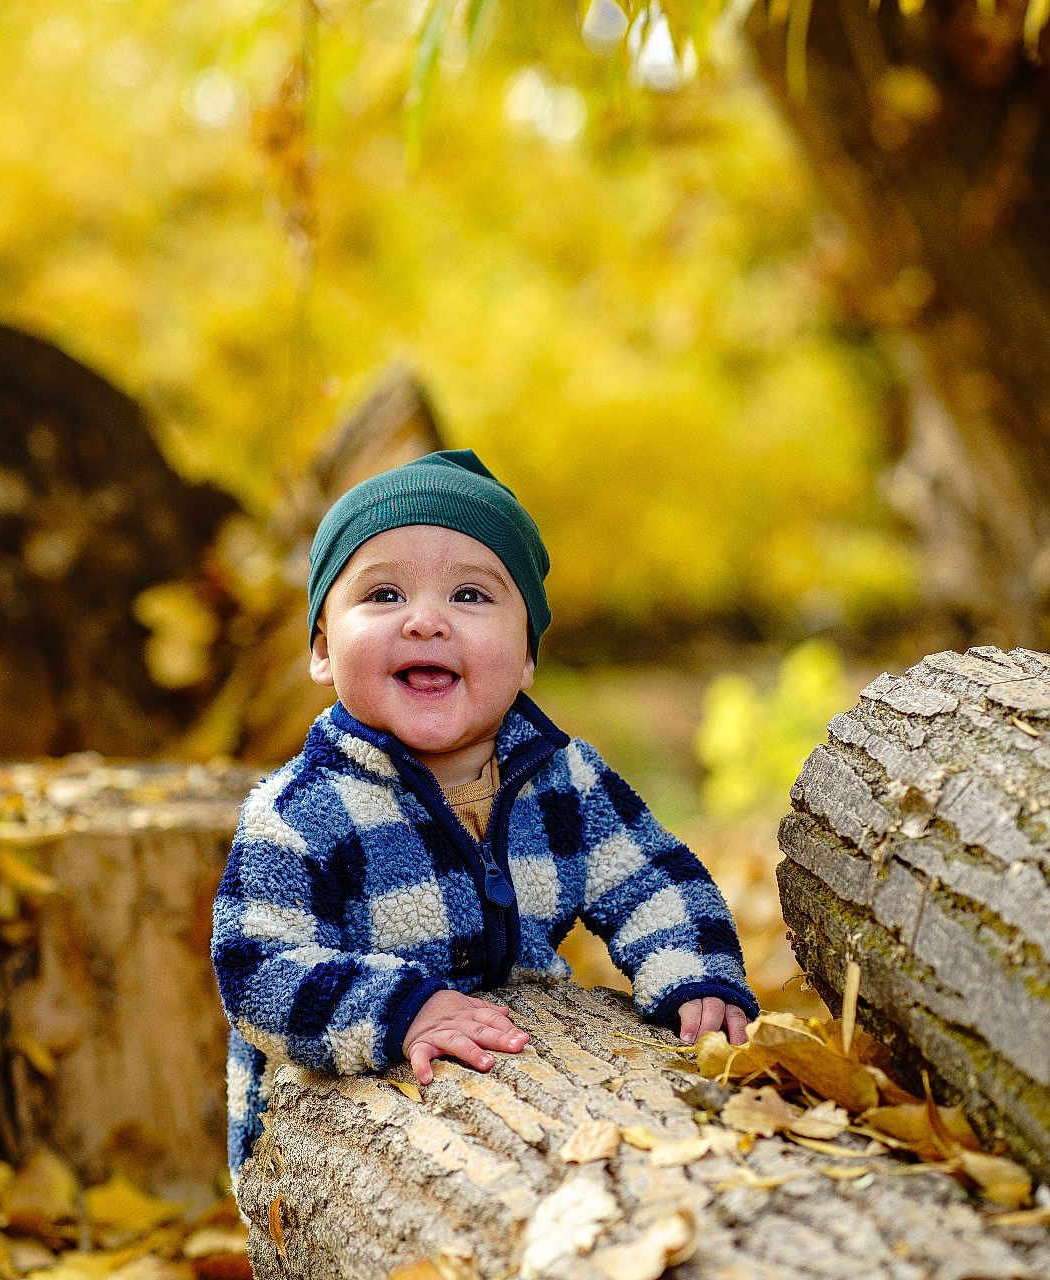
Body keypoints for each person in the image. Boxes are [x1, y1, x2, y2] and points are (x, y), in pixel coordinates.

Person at [212, 449, 758, 1183]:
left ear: (527, 656)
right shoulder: (301, 810)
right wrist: (402, 1009)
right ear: (321, 650)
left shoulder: (564, 779)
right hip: (330, 1122)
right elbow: (257, 968)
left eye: (469, 595)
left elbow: (652, 880)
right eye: (384, 595)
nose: (425, 621)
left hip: (530, 1078)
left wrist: (697, 977)